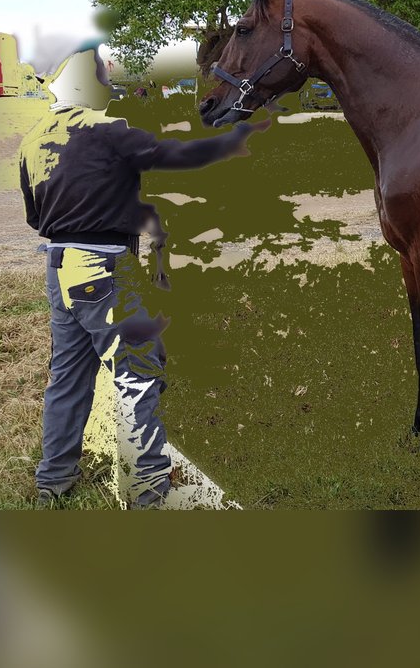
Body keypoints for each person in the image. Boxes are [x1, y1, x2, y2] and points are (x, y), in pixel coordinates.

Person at [19, 41, 266, 508]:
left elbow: (35, 217)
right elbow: (173, 156)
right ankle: (149, 487)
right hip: (104, 268)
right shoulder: (108, 130)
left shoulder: (33, 139)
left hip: (57, 268)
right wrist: (234, 140)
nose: (110, 87)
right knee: (137, 373)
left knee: (68, 377)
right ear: (87, 85)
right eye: (104, 79)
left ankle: (53, 482)